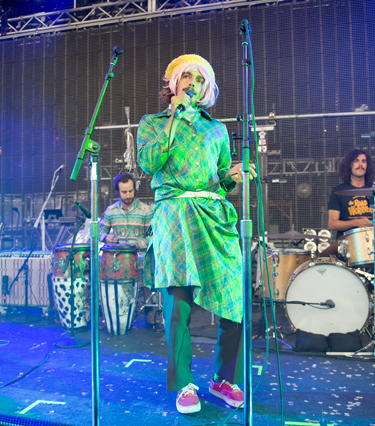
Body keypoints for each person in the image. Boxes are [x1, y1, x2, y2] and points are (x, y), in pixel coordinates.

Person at [137, 54, 256, 415]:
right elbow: (149, 163)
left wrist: (231, 177)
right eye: (187, 76)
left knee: (234, 300)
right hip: (174, 215)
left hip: (213, 217)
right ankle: (184, 382)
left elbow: (218, 180)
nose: (193, 83)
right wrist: (174, 119)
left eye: (200, 79)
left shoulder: (216, 129)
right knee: (179, 303)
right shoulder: (152, 123)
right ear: (173, 82)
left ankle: (224, 379)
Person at [320, 149, 375, 306]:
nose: (360, 164)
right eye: (356, 161)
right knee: (321, 258)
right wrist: (357, 222)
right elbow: (332, 224)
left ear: (368, 166)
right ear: (349, 165)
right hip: (347, 240)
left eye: (363, 161)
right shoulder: (339, 191)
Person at [99, 172, 153, 250]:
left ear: (135, 189)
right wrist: (106, 237)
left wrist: (137, 245)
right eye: (124, 192)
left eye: (131, 191)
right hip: (117, 256)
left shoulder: (146, 210)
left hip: (139, 256)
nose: (128, 195)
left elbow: (153, 236)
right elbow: (100, 233)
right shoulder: (110, 211)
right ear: (118, 192)